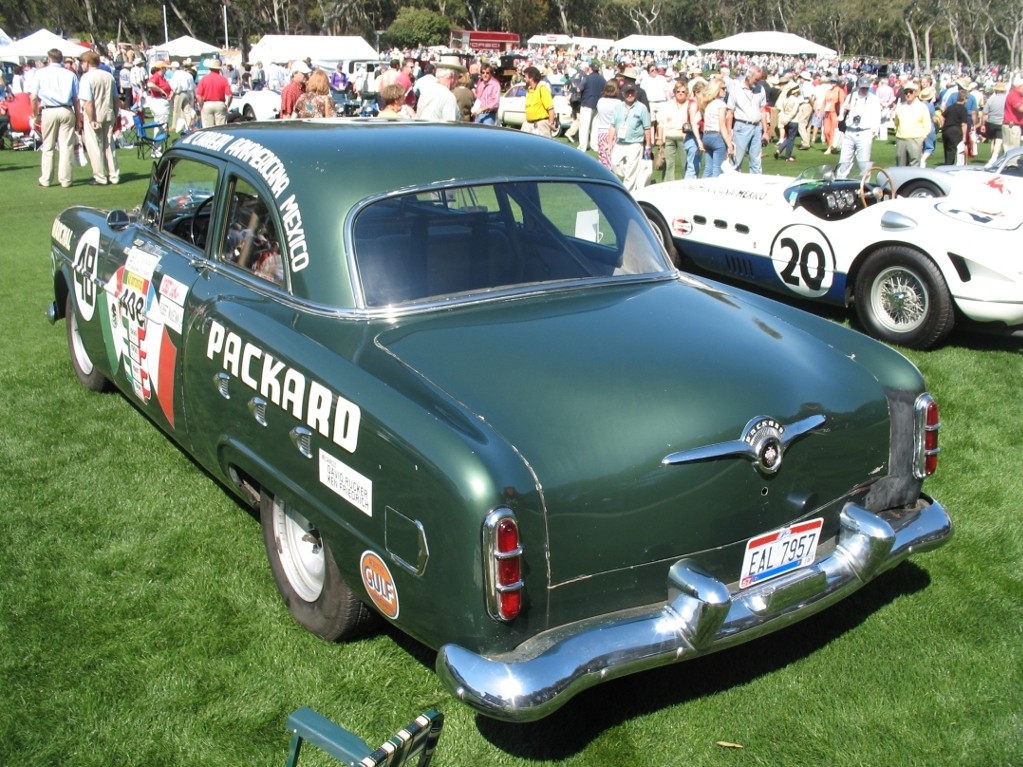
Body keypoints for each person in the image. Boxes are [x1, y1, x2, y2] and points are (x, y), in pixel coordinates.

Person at [31, 48, 80, 188]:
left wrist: (35, 115)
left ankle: (46, 179)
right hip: (66, 109)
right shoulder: (70, 74)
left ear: (49, 58)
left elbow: (33, 98)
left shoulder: (40, 73)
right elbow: (76, 99)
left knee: (48, 146)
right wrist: (78, 117)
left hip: (49, 110)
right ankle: (65, 180)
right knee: (66, 146)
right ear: (61, 59)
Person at [78, 50, 120, 185]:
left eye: (82, 62)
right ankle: (114, 175)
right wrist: (115, 114)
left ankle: (100, 177)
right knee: (109, 146)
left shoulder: (86, 78)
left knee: (95, 147)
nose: (81, 65)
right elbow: (116, 98)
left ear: (87, 63)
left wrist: (91, 119)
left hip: (94, 115)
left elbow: (88, 102)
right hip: (108, 113)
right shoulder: (109, 76)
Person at [836, 75, 881, 179]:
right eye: (862, 87)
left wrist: (874, 130)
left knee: (864, 162)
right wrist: (844, 112)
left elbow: (877, 115)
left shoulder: (873, 99)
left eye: (866, 87)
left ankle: (864, 185)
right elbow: (842, 112)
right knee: (844, 161)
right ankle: (840, 181)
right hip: (850, 131)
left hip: (864, 132)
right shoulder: (851, 96)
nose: (864, 89)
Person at [726, 65, 769, 174]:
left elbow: (763, 110)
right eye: (756, 79)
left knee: (756, 161)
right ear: (749, 76)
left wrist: (765, 131)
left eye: (759, 80)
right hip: (741, 126)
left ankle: (756, 185)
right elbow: (730, 112)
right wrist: (729, 133)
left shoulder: (760, 89)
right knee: (736, 159)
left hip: (757, 126)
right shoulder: (736, 90)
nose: (758, 82)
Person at [609, 83, 651, 191]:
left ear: (636, 93)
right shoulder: (618, 107)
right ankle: (623, 184)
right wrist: (609, 143)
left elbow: (647, 128)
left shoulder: (642, 108)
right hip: (619, 142)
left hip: (635, 143)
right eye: (628, 92)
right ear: (623, 94)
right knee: (614, 164)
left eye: (632, 92)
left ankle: (629, 193)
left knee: (631, 170)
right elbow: (612, 126)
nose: (630, 95)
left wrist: (648, 146)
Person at [893, 81, 930, 166]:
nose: (908, 94)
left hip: (915, 139)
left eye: (910, 92)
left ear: (915, 93)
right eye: (906, 92)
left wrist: (922, 138)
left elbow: (927, 125)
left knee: (914, 165)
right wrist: (898, 133)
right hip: (901, 139)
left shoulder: (922, 107)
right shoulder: (900, 107)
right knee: (900, 165)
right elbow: (896, 123)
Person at [658, 82, 689, 181]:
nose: (680, 93)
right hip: (669, 137)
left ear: (687, 93)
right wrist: (659, 138)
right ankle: (668, 184)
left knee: (686, 162)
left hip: (683, 137)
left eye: (683, 92)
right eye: (678, 91)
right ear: (674, 92)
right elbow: (661, 123)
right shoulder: (667, 105)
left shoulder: (689, 105)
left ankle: (686, 183)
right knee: (669, 163)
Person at [701, 76, 730, 177]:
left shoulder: (708, 104)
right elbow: (722, 125)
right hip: (716, 136)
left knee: (708, 168)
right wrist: (729, 144)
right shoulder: (721, 104)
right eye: (723, 88)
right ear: (717, 90)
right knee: (718, 168)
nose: (725, 90)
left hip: (707, 136)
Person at [574, 60, 605, 152]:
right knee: (595, 126)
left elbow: (579, 89)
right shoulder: (603, 79)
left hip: (587, 103)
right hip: (598, 104)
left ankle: (582, 146)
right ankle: (594, 145)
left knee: (584, 126)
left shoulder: (587, 78)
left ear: (590, 69)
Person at [520, 65, 557, 137]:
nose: (524, 78)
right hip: (528, 125)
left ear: (531, 78)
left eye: (525, 77)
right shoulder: (529, 90)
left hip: (541, 125)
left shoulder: (542, 88)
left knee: (543, 147)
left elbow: (550, 108)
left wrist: (551, 123)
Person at [195, 59, 232, 127]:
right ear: (219, 69)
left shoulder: (204, 79)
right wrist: (227, 105)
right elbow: (229, 95)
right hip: (220, 103)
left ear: (210, 68)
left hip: (207, 104)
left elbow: (198, 95)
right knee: (221, 128)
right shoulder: (223, 79)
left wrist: (201, 106)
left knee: (208, 128)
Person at [683, 79, 706, 178]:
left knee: (696, 165)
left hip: (696, 137)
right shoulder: (694, 104)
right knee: (692, 167)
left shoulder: (697, 103)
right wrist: (699, 140)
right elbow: (693, 122)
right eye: (703, 93)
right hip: (693, 138)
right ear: (696, 92)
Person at [773, 76, 800, 162]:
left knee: (788, 138)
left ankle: (779, 150)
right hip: (793, 120)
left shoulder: (785, 99)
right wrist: (788, 119)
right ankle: (788, 156)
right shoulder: (796, 100)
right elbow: (794, 112)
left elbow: (783, 110)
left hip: (785, 120)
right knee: (791, 139)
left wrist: (785, 119)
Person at [594, 80, 620, 169]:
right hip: (613, 133)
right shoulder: (618, 103)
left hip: (601, 131)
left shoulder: (600, 101)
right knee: (613, 159)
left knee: (603, 158)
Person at [942, 89, 969, 166]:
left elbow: (942, 116)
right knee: (952, 151)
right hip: (956, 131)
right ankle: (948, 167)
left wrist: (943, 126)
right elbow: (964, 124)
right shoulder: (963, 109)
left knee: (947, 150)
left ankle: (947, 163)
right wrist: (964, 136)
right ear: (965, 99)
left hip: (946, 130)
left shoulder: (950, 107)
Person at [983, 81, 1008, 162]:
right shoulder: (1006, 100)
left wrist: (983, 124)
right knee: (999, 140)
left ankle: (993, 156)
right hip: (1001, 122)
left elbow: (985, 113)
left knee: (993, 140)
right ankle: (995, 157)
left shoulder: (991, 99)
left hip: (991, 122)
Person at [168, 60, 196, 133]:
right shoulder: (187, 74)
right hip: (188, 93)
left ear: (174, 68)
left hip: (180, 93)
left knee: (176, 110)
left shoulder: (176, 74)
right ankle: (189, 124)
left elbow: (174, 85)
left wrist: (172, 94)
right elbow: (193, 85)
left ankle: (174, 126)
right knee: (187, 110)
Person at [145, 61, 172, 127]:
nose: (166, 70)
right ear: (162, 68)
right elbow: (150, 84)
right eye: (165, 68)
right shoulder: (156, 76)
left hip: (163, 102)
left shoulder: (162, 78)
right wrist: (161, 90)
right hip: (159, 102)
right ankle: (160, 136)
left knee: (162, 123)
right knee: (161, 124)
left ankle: (159, 136)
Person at [1002, 78, 1023, 151]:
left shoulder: (1015, 95)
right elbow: (1021, 108)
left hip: (1011, 126)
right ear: (1019, 87)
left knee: (1009, 149)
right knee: (1013, 150)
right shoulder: (1014, 95)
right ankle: (1011, 163)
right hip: (1012, 126)